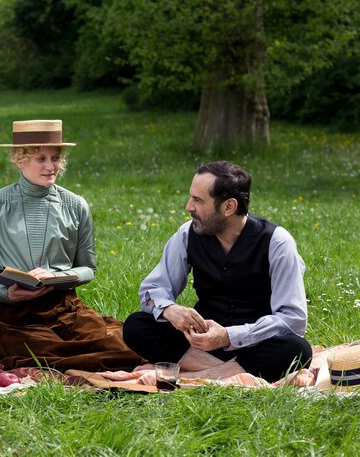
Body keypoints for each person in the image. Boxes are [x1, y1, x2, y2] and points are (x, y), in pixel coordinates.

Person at [0, 120, 143, 372]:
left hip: (62, 307)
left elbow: (88, 268)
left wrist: (56, 276)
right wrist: (4, 293)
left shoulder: (75, 205)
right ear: (20, 159)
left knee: (123, 346)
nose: (51, 167)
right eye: (41, 158)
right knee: (44, 355)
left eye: (56, 158)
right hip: (8, 313)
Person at [122, 161, 312, 382]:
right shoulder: (187, 234)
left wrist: (227, 337)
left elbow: (293, 320)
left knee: (297, 349)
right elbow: (152, 290)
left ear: (229, 207)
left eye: (198, 200)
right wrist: (171, 310)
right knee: (136, 326)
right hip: (199, 345)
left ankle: (199, 377)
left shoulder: (277, 242)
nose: (188, 207)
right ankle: (225, 374)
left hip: (255, 344)